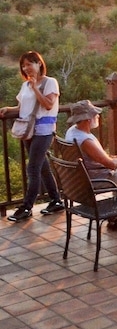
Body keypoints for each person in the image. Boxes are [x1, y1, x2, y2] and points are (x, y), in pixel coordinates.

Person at [4, 51, 62, 222]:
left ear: (39, 63)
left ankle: (27, 207)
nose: (26, 68)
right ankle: (56, 200)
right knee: (42, 167)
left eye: (29, 64)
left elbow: (48, 104)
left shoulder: (50, 82)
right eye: (23, 65)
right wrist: (8, 109)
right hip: (28, 131)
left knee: (33, 169)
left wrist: (35, 87)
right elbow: (22, 108)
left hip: (44, 131)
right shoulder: (25, 85)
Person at [63, 100, 117, 191]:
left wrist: (116, 157)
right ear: (88, 119)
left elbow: (95, 158)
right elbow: (111, 165)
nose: (98, 116)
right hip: (99, 178)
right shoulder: (85, 141)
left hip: (83, 177)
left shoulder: (72, 131)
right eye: (95, 114)